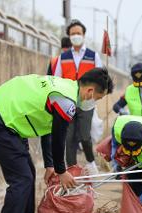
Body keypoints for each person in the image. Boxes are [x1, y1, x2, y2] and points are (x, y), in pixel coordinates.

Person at [0, 68, 114, 213]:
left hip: (8, 121)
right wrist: (61, 171)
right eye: (98, 98)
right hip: (0, 122)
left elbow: (48, 130)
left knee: (28, 174)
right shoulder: (67, 101)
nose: (94, 102)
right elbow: (59, 137)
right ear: (90, 91)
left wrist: (50, 165)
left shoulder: (65, 88)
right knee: (21, 179)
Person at [47, 20, 103, 174]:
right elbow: (56, 79)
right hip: (67, 102)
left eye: (78, 33)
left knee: (85, 136)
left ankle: (91, 163)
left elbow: (101, 76)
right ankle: (72, 170)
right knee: (69, 138)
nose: (76, 36)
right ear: (69, 36)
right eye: (73, 34)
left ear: (84, 35)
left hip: (87, 102)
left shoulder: (93, 56)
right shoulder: (63, 57)